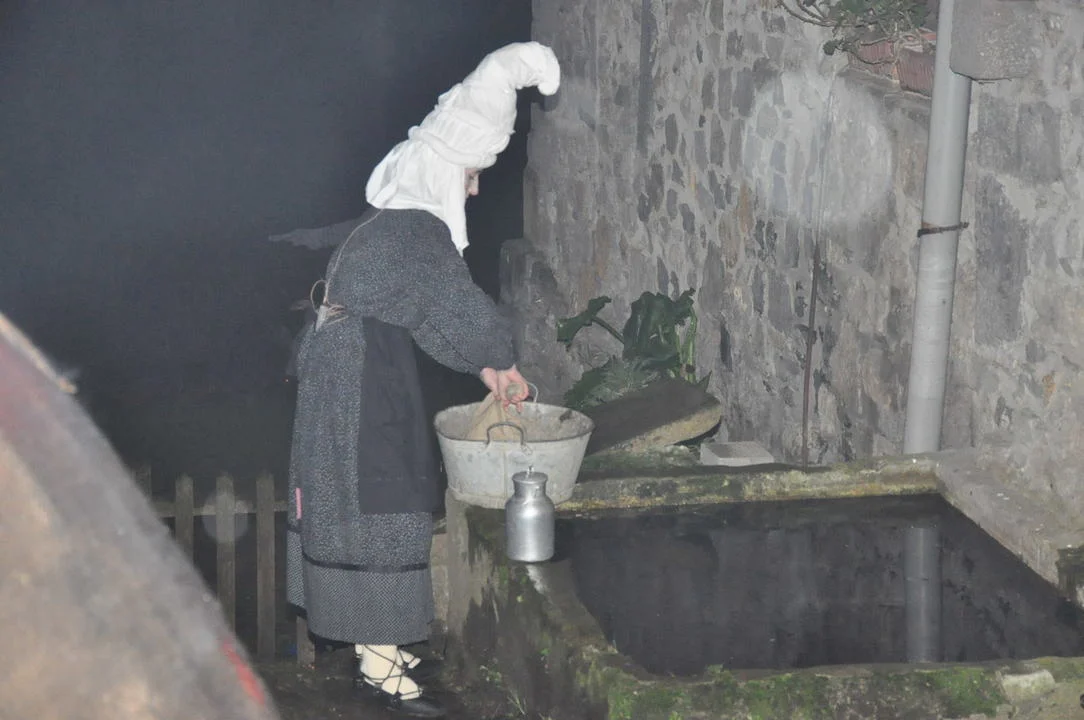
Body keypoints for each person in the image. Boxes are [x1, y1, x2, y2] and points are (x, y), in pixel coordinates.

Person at [282, 42, 561, 718]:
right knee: (379, 506)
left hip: (353, 372)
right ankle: (379, 668)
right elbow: (461, 309)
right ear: (442, 169)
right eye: (471, 175)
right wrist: (500, 350)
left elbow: (426, 314)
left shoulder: (397, 228)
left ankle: (378, 647)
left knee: (370, 503)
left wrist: (487, 367)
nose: (474, 189)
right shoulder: (413, 231)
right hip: (356, 386)